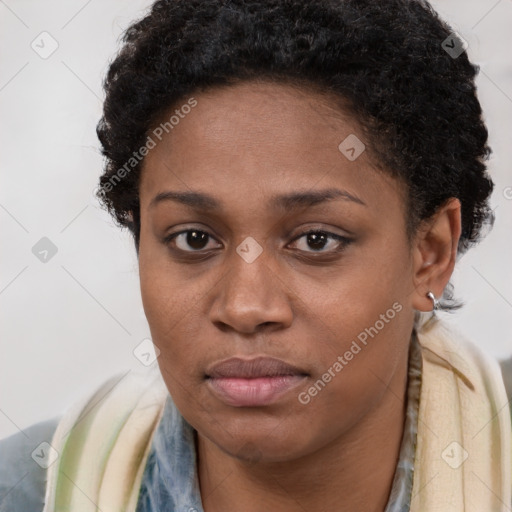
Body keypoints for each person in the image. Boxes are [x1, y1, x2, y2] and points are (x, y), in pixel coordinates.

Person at [1, 0, 511, 511]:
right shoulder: (27, 492)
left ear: (431, 253)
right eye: (193, 239)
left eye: (316, 240)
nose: (245, 308)